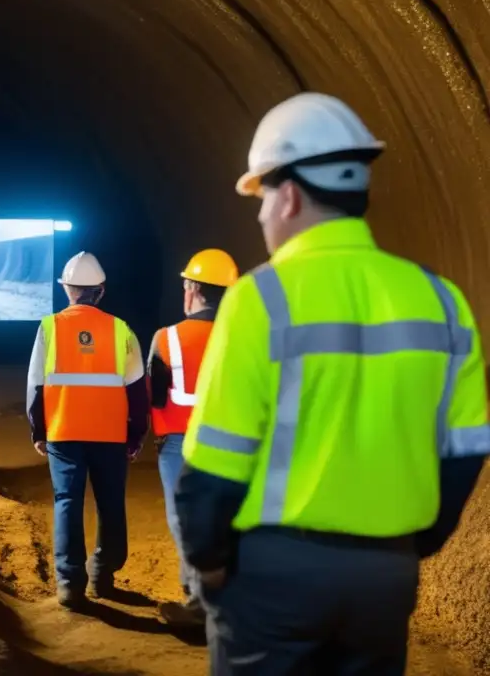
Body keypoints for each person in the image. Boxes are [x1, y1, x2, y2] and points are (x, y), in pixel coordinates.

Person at [176, 92, 490, 674]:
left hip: (273, 573)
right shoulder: (443, 302)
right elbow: (467, 447)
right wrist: (413, 544)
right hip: (386, 577)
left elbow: (214, 463)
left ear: (289, 195)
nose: (262, 215)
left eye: (263, 198)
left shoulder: (260, 299)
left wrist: (208, 561)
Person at [26, 251, 150, 609]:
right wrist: (135, 435)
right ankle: (103, 573)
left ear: (68, 290)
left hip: (64, 432)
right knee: (110, 503)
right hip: (110, 435)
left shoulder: (49, 327)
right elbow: (137, 390)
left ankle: (69, 583)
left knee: (67, 501)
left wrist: (39, 430)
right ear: (101, 291)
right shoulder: (121, 330)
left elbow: (36, 385)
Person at [149, 248, 238, 628]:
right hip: (234, 445)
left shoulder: (166, 338)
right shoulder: (246, 338)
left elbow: (153, 395)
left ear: (193, 289)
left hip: (180, 445)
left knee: (185, 520)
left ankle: (199, 603)